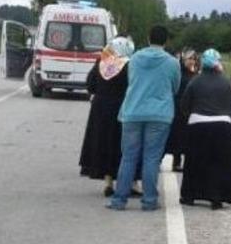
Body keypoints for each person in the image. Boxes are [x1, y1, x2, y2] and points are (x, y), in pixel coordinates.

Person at [108, 25, 180, 211]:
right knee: (151, 157)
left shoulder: (134, 59)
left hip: (132, 111)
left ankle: (119, 200)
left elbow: (131, 81)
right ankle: (149, 200)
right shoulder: (172, 63)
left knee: (129, 156)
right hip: (160, 114)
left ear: (148, 38)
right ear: (166, 41)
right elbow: (175, 87)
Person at [179, 49, 231, 210]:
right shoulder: (226, 82)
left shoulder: (195, 81)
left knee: (195, 161)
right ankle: (216, 197)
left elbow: (185, 105)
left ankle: (190, 195)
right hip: (221, 125)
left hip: (198, 123)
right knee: (218, 162)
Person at [79, 36, 135, 196]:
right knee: (120, 145)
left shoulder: (101, 63)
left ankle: (108, 181)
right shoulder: (128, 66)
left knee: (103, 143)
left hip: (100, 109)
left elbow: (90, 84)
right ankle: (129, 182)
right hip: (121, 107)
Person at [165, 49, 199, 172]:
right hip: (177, 107)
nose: (192, 61)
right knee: (175, 135)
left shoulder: (195, 75)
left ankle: (183, 162)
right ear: (184, 60)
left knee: (187, 136)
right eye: (189, 59)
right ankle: (171, 159)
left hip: (191, 109)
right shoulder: (179, 72)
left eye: (194, 59)